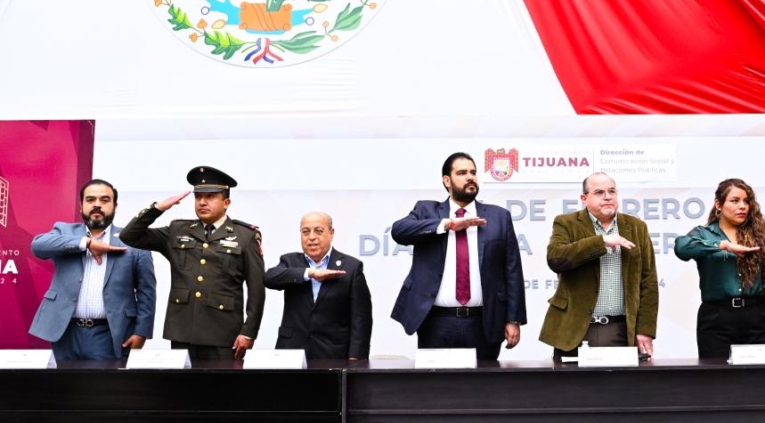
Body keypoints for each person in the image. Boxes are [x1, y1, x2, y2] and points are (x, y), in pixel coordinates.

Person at [119, 166, 265, 361]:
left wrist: (249, 332)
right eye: (198, 197)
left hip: (223, 333)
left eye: (210, 197)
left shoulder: (245, 236)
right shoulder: (177, 230)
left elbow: (257, 289)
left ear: (226, 202)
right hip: (182, 331)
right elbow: (129, 236)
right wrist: (158, 208)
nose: (202, 202)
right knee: (182, 390)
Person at [390, 152, 526, 361]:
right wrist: (447, 224)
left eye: (473, 172)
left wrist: (513, 319)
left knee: (483, 389)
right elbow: (399, 231)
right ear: (447, 180)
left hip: (484, 322)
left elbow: (513, 271)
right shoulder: (427, 210)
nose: (470, 177)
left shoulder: (499, 216)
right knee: (437, 388)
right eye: (462, 173)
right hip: (436, 322)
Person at [28, 179, 157, 361]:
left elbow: (146, 292)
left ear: (115, 206)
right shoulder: (64, 232)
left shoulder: (135, 241)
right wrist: (85, 243)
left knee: (104, 388)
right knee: (64, 387)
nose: (97, 205)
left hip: (111, 333)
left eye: (104, 200)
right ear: (81, 206)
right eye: (90, 200)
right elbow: (38, 246)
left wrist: (142, 332)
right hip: (65, 331)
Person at [540, 172, 658, 360]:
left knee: (619, 389)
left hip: (620, 330)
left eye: (612, 191)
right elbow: (556, 259)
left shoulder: (636, 227)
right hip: (575, 329)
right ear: (584, 198)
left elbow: (648, 281)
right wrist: (600, 242)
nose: (608, 196)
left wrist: (645, 329)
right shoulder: (566, 223)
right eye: (599, 192)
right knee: (571, 389)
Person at [674, 178, 765, 358]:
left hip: (757, 316)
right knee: (717, 381)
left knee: (758, 380)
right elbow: (682, 248)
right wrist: (723, 245)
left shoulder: (760, 236)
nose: (742, 206)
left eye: (746, 201)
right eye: (735, 201)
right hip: (716, 318)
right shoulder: (704, 233)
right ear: (718, 205)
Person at [264, 211, 372, 360]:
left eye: (319, 231)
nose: (312, 237)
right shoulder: (290, 261)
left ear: (331, 233)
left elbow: (361, 318)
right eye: (305, 232)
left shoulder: (351, 266)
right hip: (292, 351)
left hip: (333, 352)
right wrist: (310, 273)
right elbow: (269, 278)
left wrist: (356, 356)